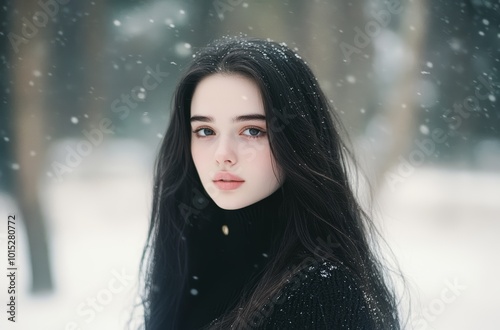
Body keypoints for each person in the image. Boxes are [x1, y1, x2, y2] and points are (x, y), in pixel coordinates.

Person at [140, 36, 401, 329]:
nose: (223, 155)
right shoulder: (188, 258)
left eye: (252, 131)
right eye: (205, 130)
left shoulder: (323, 292)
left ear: (298, 139)